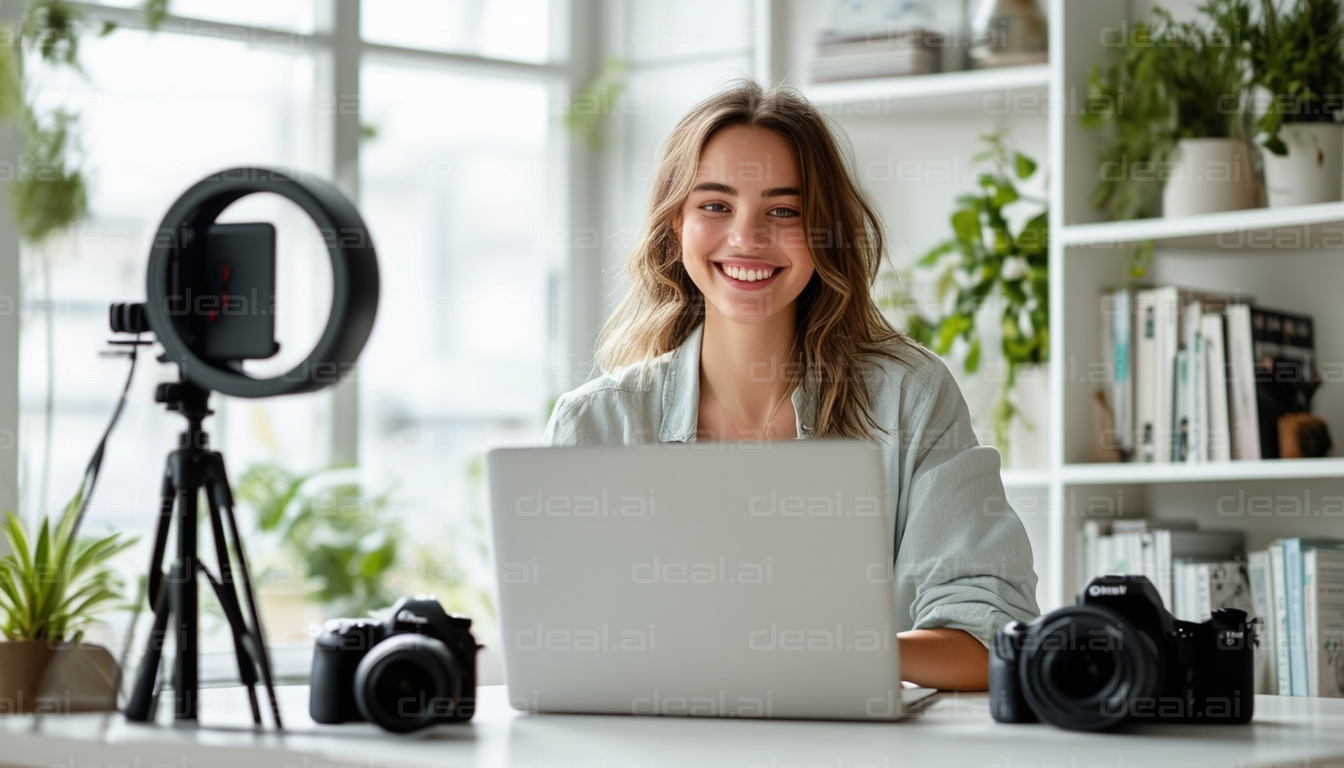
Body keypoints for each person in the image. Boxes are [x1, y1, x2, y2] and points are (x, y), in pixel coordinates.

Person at [543, 78, 1038, 691]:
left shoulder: (909, 396)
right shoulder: (596, 424)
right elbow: (563, 645)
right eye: (715, 205)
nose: (747, 238)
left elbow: (992, 641)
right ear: (676, 226)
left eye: (784, 211)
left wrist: (825, 650)